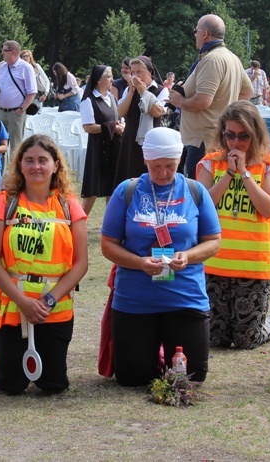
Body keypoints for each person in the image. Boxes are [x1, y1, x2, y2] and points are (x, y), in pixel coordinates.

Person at [101, 127, 221, 386]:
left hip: (185, 299)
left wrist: (187, 256)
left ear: (180, 160)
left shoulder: (195, 191)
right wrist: (139, 263)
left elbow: (213, 242)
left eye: (170, 166)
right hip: (135, 301)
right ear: (146, 160)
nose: (163, 173)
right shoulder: (128, 190)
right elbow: (108, 244)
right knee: (133, 379)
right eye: (156, 166)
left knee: (191, 378)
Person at [0, 134, 88, 394]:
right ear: (20, 165)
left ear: (55, 165)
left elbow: (81, 264)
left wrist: (48, 301)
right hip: (15, 305)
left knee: (53, 386)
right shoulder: (5, 202)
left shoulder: (69, 206)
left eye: (43, 160)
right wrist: (23, 301)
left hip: (53, 306)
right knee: (11, 386)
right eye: (28, 160)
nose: (36, 166)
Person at [197, 101, 270, 348]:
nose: (235, 143)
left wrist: (245, 174)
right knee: (215, 339)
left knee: (246, 340)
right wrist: (229, 173)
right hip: (215, 262)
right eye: (230, 135)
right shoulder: (210, 163)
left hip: (253, 265)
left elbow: (269, 208)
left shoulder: (269, 165)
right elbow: (202, 205)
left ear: (255, 135)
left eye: (243, 136)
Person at [168, 14, 253, 180]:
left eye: (196, 31)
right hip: (216, 138)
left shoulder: (211, 60)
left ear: (204, 34)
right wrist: (227, 114)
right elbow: (247, 92)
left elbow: (203, 101)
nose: (195, 35)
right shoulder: (232, 58)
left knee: (198, 194)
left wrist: (181, 101)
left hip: (204, 142)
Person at [113, 56, 168, 187]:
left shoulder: (161, 90)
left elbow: (157, 112)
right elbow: (120, 112)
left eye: (139, 72)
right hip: (130, 139)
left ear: (150, 72)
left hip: (151, 140)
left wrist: (144, 93)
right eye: (133, 72)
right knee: (128, 177)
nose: (135, 76)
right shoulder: (128, 90)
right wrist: (132, 93)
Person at [80, 65, 125, 215]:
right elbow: (88, 127)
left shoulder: (111, 98)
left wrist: (121, 125)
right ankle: (78, 223)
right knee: (92, 190)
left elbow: (119, 118)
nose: (112, 79)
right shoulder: (88, 100)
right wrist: (112, 126)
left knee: (112, 189)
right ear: (99, 80)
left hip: (113, 148)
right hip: (98, 148)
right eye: (109, 76)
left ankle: (110, 226)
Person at [0, 41, 37, 160]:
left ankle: (14, 175)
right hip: (0, 111)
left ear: (13, 52)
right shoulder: (2, 67)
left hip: (16, 112)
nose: (2, 53)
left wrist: (22, 108)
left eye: (4, 51)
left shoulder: (26, 68)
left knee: (16, 146)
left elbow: (32, 91)